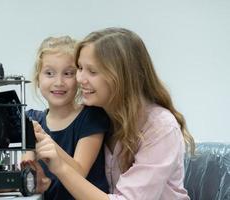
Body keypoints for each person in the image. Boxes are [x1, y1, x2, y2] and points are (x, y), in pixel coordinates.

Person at [33, 28, 196, 200]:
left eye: (92, 71)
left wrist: (61, 168)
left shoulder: (160, 127)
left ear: (121, 77)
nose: (80, 79)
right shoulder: (98, 116)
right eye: (80, 68)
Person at [21, 36, 112, 200]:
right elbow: (26, 174)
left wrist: (45, 139)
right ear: (38, 78)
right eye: (49, 73)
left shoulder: (92, 117)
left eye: (68, 73)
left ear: (78, 78)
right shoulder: (32, 119)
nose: (59, 82)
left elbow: (79, 172)